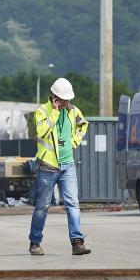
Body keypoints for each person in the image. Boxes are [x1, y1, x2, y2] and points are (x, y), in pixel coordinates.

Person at [29, 77, 91, 256]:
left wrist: (75, 141)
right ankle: (35, 242)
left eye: (68, 99)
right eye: (63, 99)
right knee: (42, 206)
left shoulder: (73, 110)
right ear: (54, 97)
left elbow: (83, 124)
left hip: (67, 165)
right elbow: (41, 132)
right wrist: (55, 113)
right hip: (47, 166)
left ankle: (77, 243)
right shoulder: (42, 111)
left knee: (73, 203)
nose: (66, 102)